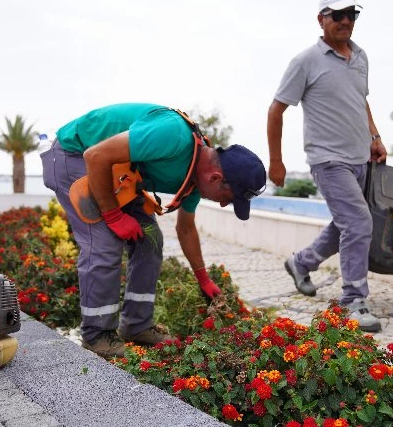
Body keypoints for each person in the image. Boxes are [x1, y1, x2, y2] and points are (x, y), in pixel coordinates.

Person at [42, 103, 266, 358]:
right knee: (104, 243)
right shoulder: (173, 135)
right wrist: (114, 216)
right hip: (74, 154)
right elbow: (96, 156)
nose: (225, 204)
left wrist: (203, 278)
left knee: (150, 239)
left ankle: (137, 326)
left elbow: (186, 229)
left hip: (117, 173)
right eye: (229, 197)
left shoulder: (193, 179)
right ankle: (97, 337)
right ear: (215, 178)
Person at [266, 0, 387, 333]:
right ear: (321, 19)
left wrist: (375, 137)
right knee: (359, 222)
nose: (346, 21)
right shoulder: (305, 61)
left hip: (359, 158)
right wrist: (276, 161)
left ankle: (300, 263)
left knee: (346, 224)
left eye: (352, 14)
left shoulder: (361, 57)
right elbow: (276, 109)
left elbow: (360, 101)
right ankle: (353, 299)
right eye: (338, 15)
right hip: (327, 159)